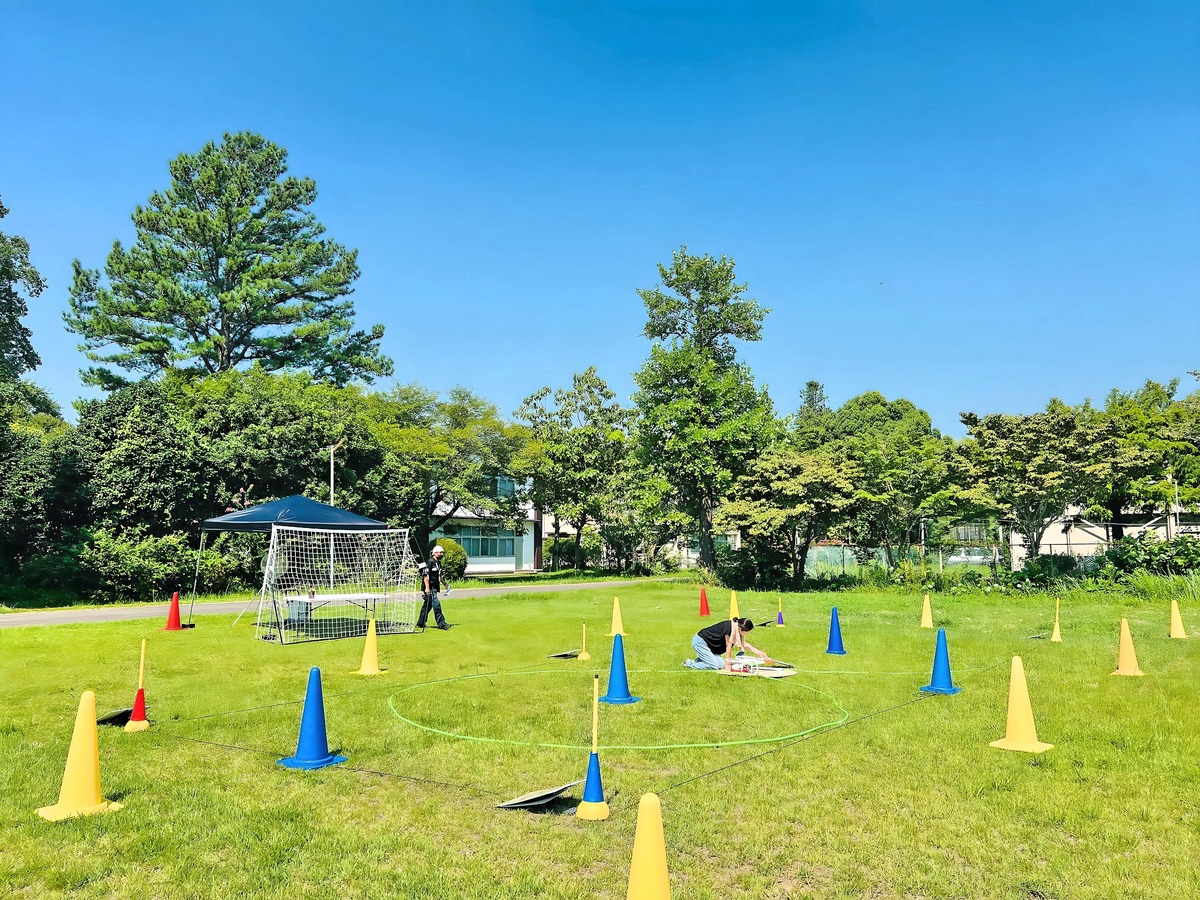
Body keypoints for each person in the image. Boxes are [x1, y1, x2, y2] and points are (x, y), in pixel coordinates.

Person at [683, 617, 767, 670]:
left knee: (721, 665)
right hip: (701, 642)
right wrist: (728, 663)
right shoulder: (729, 628)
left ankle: (699, 660)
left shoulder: (737, 630)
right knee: (713, 666)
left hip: (711, 648)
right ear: (741, 630)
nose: (747, 634)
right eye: (747, 632)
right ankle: (689, 663)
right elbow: (728, 646)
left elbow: (745, 645)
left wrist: (760, 653)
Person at [417, 545, 450, 630]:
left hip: (434, 587)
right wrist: (427, 588)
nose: (441, 554)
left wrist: (445, 584)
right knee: (436, 604)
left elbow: (439, 575)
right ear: (435, 553)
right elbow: (425, 575)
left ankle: (420, 622)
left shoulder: (438, 563)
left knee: (428, 605)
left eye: (442, 553)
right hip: (429, 587)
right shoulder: (430, 562)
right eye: (440, 552)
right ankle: (442, 624)